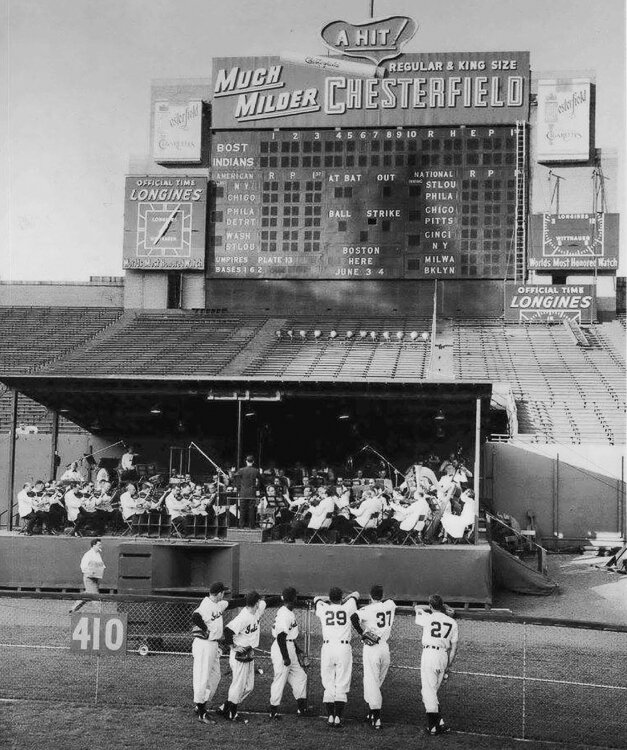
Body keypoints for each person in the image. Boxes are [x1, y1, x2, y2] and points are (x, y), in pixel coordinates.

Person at [350, 584, 396, 729]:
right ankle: (371, 713)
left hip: (372, 648)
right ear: (382, 596)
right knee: (377, 681)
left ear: (370, 596)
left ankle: (376, 718)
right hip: (385, 648)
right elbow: (390, 600)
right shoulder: (390, 605)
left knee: (372, 681)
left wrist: (362, 634)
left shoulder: (368, 609)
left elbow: (353, 617)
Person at [314, 587, 360, 727]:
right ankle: (338, 717)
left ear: (329, 597)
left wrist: (328, 600)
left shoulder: (323, 608)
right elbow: (356, 594)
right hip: (343, 648)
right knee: (342, 681)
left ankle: (330, 717)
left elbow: (316, 599)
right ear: (341, 597)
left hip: (327, 648)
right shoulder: (348, 606)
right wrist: (345, 599)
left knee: (328, 682)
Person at [218, 590, 267, 721]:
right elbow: (227, 631)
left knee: (249, 686)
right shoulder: (244, 617)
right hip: (239, 656)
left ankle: (225, 707)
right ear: (256, 603)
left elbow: (268, 602)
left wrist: (281, 597)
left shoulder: (256, 610)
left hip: (248, 653)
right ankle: (231, 714)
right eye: (259, 601)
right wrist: (233, 647)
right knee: (238, 685)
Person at [414, 594, 458, 736]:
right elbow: (454, 648)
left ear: (431, 606)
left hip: (429, 655)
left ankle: (433, 727)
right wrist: (448, 665)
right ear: (443, 606)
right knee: (432, 691)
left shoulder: (428, 617)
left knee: (428, 692)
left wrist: (431, 607)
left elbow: (416, 607)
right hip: (443, 656)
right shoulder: (452, 622)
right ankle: (440, 723)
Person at [191, 581, 229, 724]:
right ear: (219, 593)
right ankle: (202, 713)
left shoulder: (218, 604)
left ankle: (201, 704)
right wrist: (205, 629)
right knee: (202, 678)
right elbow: (195, 616)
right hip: (203, 645)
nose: (224, 594)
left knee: (215, 676)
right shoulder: (206, 604)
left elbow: (233, 603)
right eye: (223, 592)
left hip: (213, 645)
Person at [269, 586, 308, 719]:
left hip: (288, 646)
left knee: (301, 676)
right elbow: (281, 637)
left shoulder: (288, 611)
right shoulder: (285, 614)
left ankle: (302, 709)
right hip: (282, 649)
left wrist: (298, 650)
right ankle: (273, 711)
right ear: (294, 599)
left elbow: (289, 636)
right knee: (280, 679)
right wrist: (286, 658)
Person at [70, 539, 105, 613]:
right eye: (99, 545)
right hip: (89, 578)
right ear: (94, 545)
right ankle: (100, 613)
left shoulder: (98, 554)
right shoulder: (88, 554)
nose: (100, 546)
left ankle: (73, 609)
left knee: (87, 595)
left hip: (95, 578)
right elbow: (83, 566)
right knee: (95, 596)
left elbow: (101, 565)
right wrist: (89, 572)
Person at [234, 455, 260, 529]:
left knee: (242, 509)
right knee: (252, 510)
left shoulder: (241, 470)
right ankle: (252, 526)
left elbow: (234, 477)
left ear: (246, 461)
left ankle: (241, 525)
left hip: (243, 492)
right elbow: (261, 480)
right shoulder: (256, 470)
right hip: (252, 492)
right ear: (253, 462)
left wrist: (239, 488)